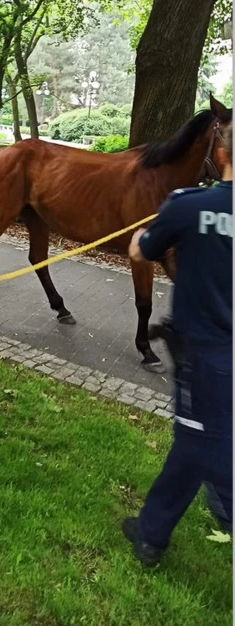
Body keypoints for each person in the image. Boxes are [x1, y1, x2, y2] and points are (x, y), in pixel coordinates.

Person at [124, 116, 233, 566]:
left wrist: (137, 238)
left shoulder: (187, 206)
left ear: (221, 154)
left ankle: (226, 506)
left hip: (206, 353)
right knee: (195, 436)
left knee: (200, 441)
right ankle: (151, 532)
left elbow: (142, 252)